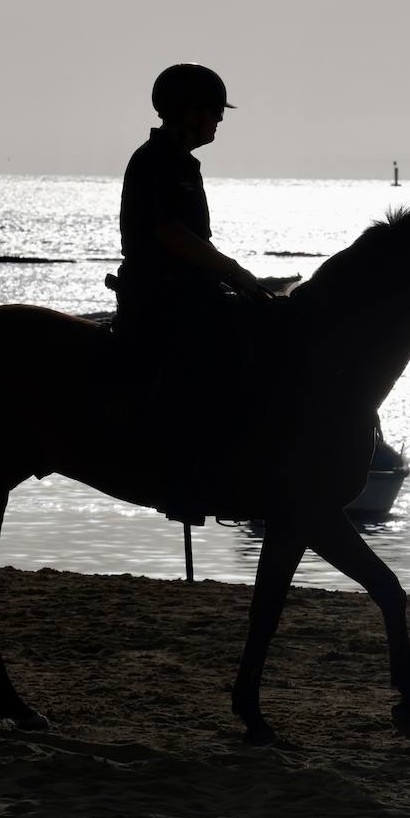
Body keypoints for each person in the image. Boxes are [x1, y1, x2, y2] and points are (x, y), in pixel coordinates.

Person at [113, 63, 270, 524]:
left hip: (188, 289)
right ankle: (183, 478)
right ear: (186, 112)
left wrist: (237, 282)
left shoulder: (182, 163)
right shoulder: (156, 160)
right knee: (212, 359)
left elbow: (196, 241)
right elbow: (171, 234)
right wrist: (234, 272)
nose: (219, 118)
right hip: (161, 295)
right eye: (213, 110)